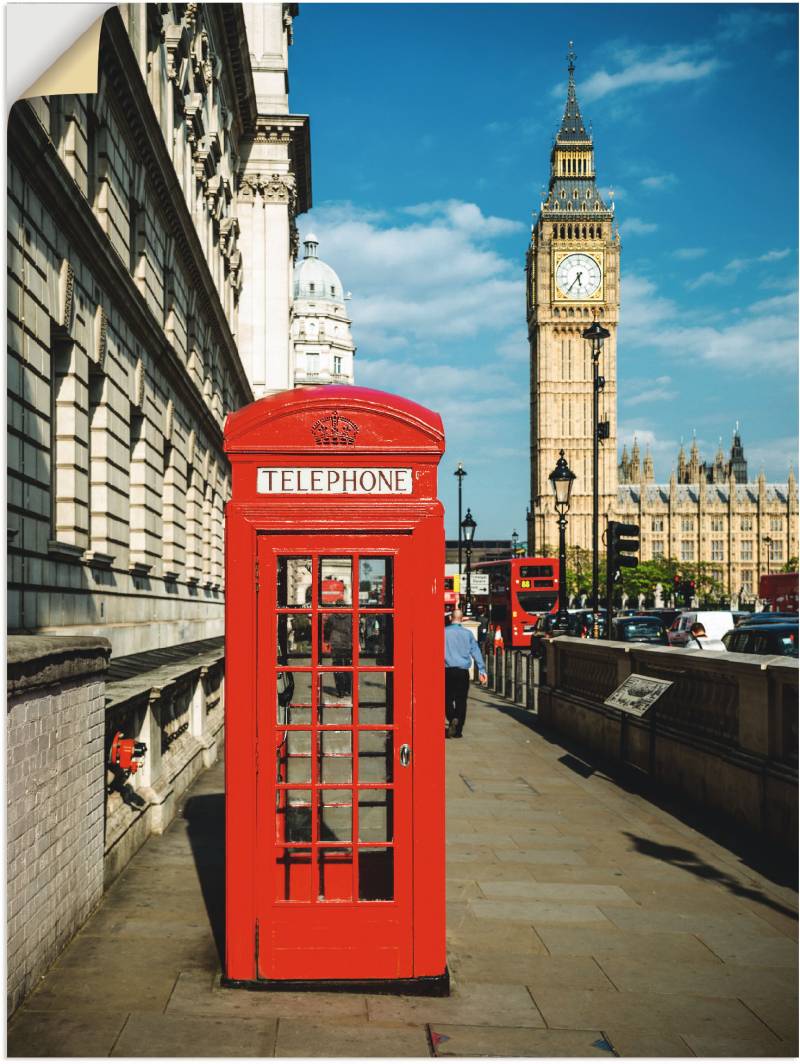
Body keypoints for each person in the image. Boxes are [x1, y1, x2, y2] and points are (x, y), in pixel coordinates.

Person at [444, 608, 488, 738]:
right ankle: (458, 731)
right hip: (463, 672)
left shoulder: (442, 632)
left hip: (447, 671)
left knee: (446, 699)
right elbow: (476, 652)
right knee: (461, 700)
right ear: (462, 619)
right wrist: (482, 670)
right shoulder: (468, 634)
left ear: (450, 618)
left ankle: (452, 718)